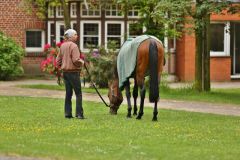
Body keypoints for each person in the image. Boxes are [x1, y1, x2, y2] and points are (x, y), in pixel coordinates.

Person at [56, 29, 85, 119]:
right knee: (78, 93)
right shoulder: (74, 46)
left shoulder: (62, 46)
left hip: (65, 73)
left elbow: (58, 61)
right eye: (75, 34)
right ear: (71, 36)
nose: (77, 36)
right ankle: (79, 114)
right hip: (73, 73)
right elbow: (76, 60)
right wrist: (82, 62)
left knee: (68, 93)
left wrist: (63, 65)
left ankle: (68, 114)